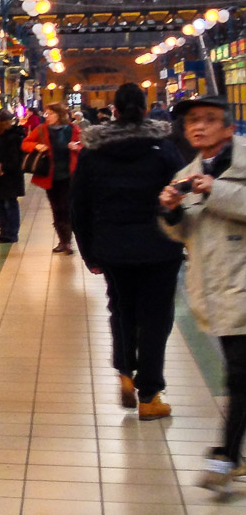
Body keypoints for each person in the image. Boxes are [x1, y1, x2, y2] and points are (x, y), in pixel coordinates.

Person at [71, 83, 184, 420]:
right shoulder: (164, 149)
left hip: (112, 246)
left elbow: (79, 206)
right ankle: (149, 395)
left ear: (114, 111)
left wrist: (89, 252)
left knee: (121, 309)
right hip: (160, 247)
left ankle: (125, 371)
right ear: (146, 110)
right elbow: (182, 194)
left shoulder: (93, 151)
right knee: (156, 317)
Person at [159, 94, 246, 488]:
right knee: (239, 372)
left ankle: (227, 456)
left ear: (228, 127)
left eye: (209, 119)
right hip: (218, 288)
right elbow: (184, 233)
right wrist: (170, 210)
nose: (199, 126)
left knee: (239, 374)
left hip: (240, 286)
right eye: (193, 120)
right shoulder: (186, 173)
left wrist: (216, 191)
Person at [23, 103, 80, 253]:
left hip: (69, 174)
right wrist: (36, 146)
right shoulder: (42, 129)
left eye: (50, 114)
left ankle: (67, 241)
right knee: (56, 208)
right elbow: (25, 143)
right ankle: (63, 240)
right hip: (50, 175)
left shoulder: (72, 129)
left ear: (59, 115)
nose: (47, 117)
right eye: (46, 114)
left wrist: (76, 147)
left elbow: (85, 146)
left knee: (66, 207)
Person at [0, 108, 26, 243]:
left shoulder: (12, 137)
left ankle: (11, 233)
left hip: (8, 177)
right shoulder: (4, 136)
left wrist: (2, 167)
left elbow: (16, 160)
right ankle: (4, 232)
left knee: (9, 204)